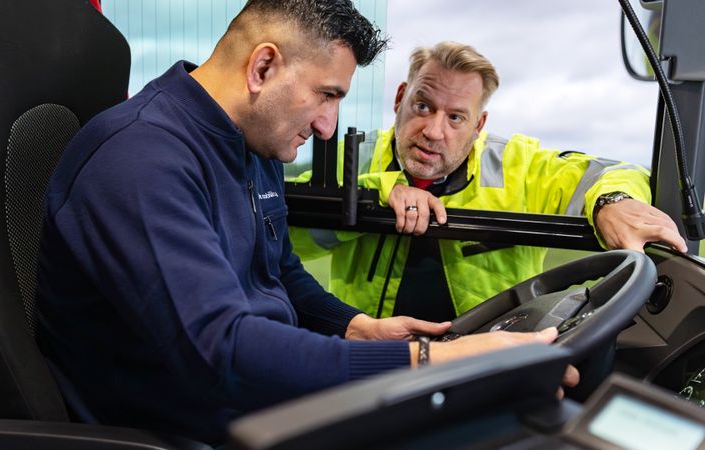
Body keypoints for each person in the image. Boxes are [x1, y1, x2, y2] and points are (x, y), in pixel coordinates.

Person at [34, 5, 577, 445]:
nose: (326, 127)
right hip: (206, 423)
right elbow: (221, 351)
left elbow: (279, 270)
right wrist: (431, 361)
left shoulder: (255, 144)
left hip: (261, 395)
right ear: (262, 68)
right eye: (327, 95)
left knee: (527, 415)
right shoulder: (141, 159)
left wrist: (357, 326)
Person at [290, 41, 686, 321]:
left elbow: (613, 171)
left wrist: (612, 201)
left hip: (487, 359)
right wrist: (376, 193)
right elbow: (285, 234)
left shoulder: (517, 164)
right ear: (399, 99)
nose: (433, 130)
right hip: (372, 355)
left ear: (479, 124)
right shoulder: (353, 160)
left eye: (456, 117)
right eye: (422, 106)